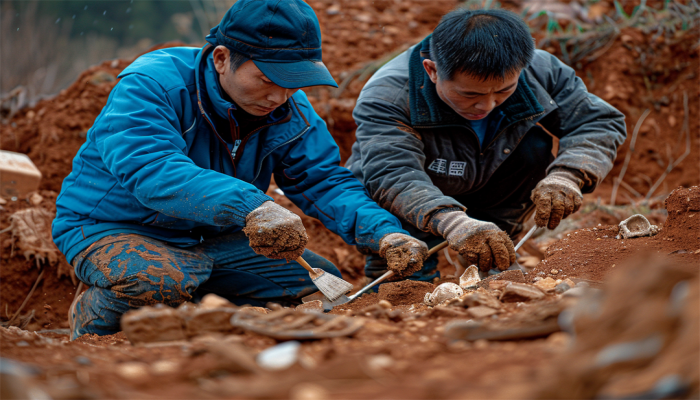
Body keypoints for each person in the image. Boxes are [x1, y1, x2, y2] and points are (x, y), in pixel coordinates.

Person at [53, 0, 427, 340]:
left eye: (292, 84)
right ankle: (90, 322)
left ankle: (196, 305)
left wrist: (385, 234)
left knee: (321, 289)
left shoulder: (288, 112)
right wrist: (251, 206)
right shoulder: (153, 85)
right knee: (157, 281)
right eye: (267, 80)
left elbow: (324, 181)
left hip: (212, 239)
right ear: (221, 58)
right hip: (111, 227)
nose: (278, 97)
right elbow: (152, 170)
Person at [346, 8, 626, 281]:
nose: (487, 105)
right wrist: (452, 222)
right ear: (432, 70)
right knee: (408, 276)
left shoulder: (542, 70)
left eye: (504, 90)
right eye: (470, 94)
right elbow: (394, 174)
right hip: (414, 192)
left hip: (492, 180)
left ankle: (494, 253)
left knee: (532, 148)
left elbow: (597, 122)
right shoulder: (388, 95)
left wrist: (569, 175)